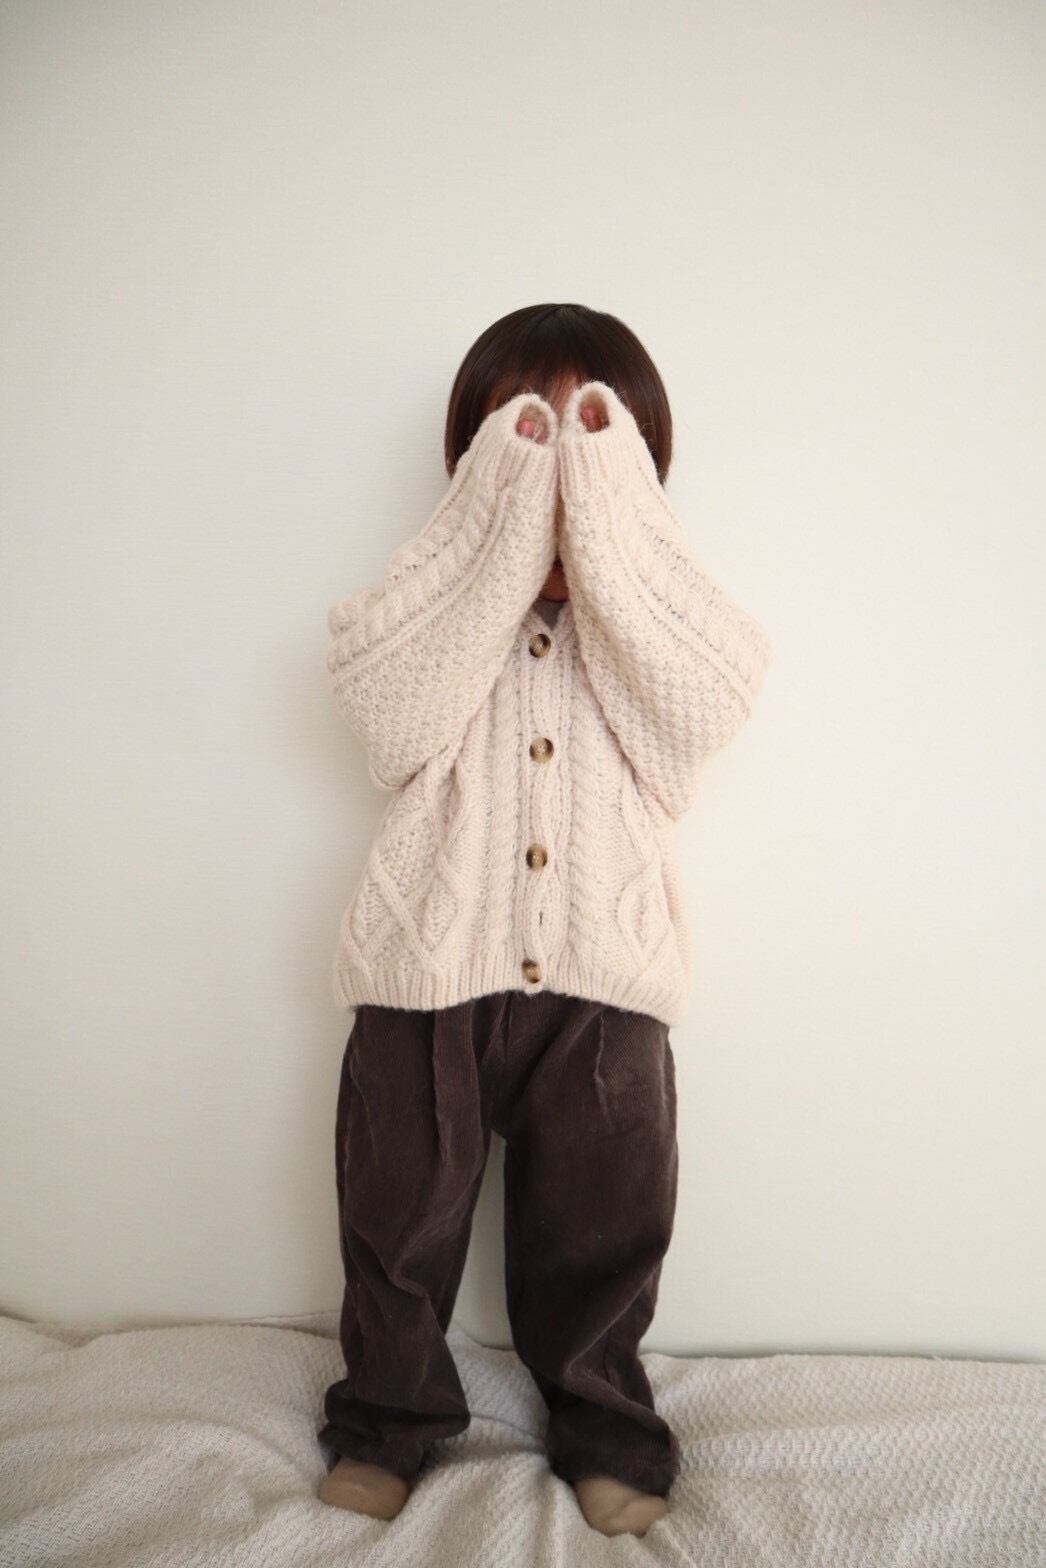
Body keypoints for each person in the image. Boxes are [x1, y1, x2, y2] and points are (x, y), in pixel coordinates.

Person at [315, 304, 773, 1537]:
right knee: (396, 1223)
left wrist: (606, 527)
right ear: (474, 467)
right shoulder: (434, 602)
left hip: (606, 985)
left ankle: (605, 1428)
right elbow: (385, 715)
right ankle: (385, 1420)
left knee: (605, 1229)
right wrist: (498, 531)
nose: (558, 481)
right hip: (422, 974)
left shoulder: (650, 628)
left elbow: (710, 702)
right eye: (527, 446)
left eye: (590, 446)